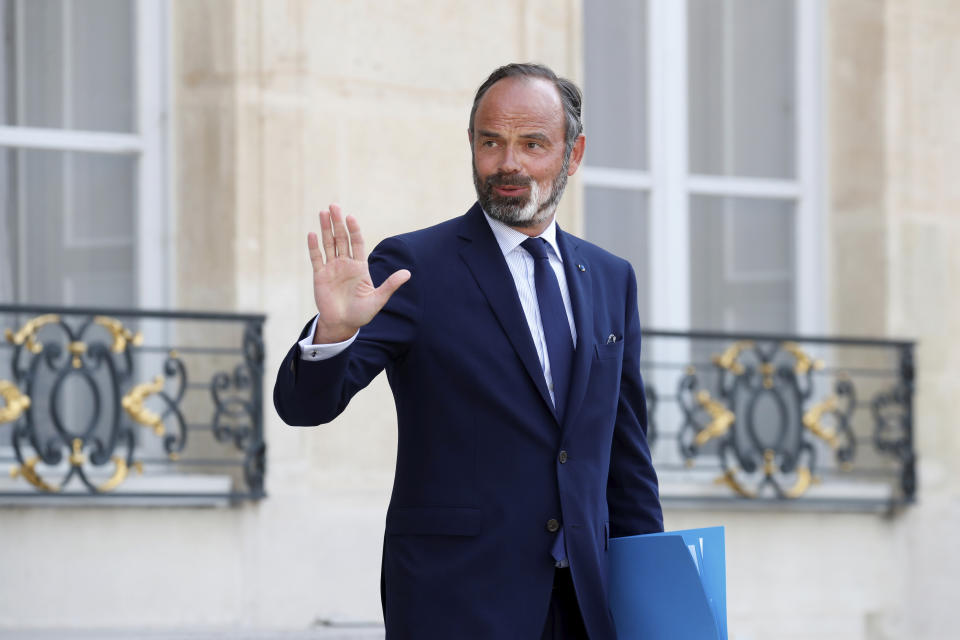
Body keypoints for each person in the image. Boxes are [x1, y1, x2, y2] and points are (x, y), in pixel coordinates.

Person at [274, 62, 663, 640]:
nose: (509, 163)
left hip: (586, 604)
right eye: (491, 142)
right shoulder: (415, 267)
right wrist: (333, 333)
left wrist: (652, 598)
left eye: (532, 144)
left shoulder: (610, 277)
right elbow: (304, 407)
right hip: (455, 603)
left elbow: (626, 460)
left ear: (572, 154)